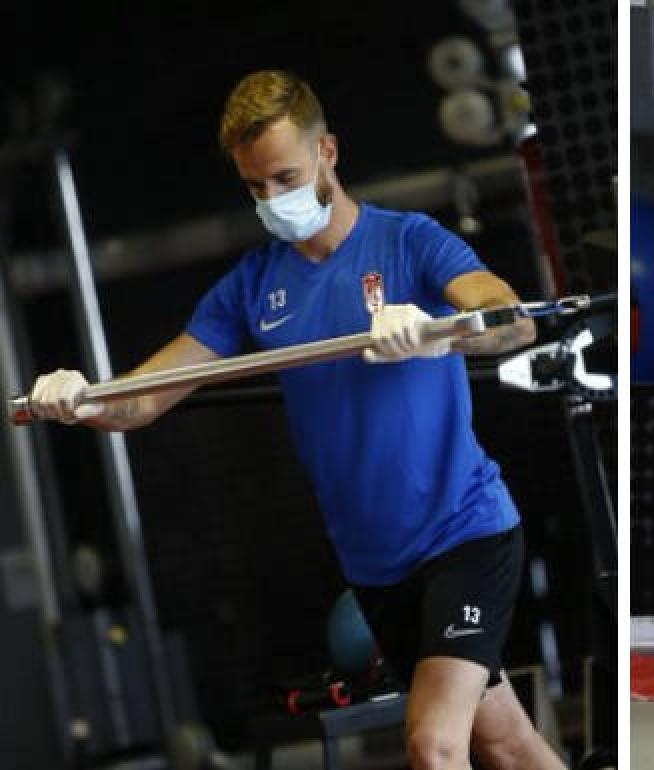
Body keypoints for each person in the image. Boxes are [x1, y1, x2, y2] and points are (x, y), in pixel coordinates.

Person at [27, 70, 565, 770]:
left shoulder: (410, 241)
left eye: (284, 176)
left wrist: (444, 329)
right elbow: (143, 398)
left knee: (434, 747)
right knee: (507, 746)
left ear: (327, 153)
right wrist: (79, 396)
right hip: (376, 566)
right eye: (256, 187)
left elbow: (509, 321)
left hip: (465, 535)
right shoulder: (252, 289)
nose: (273, 199)